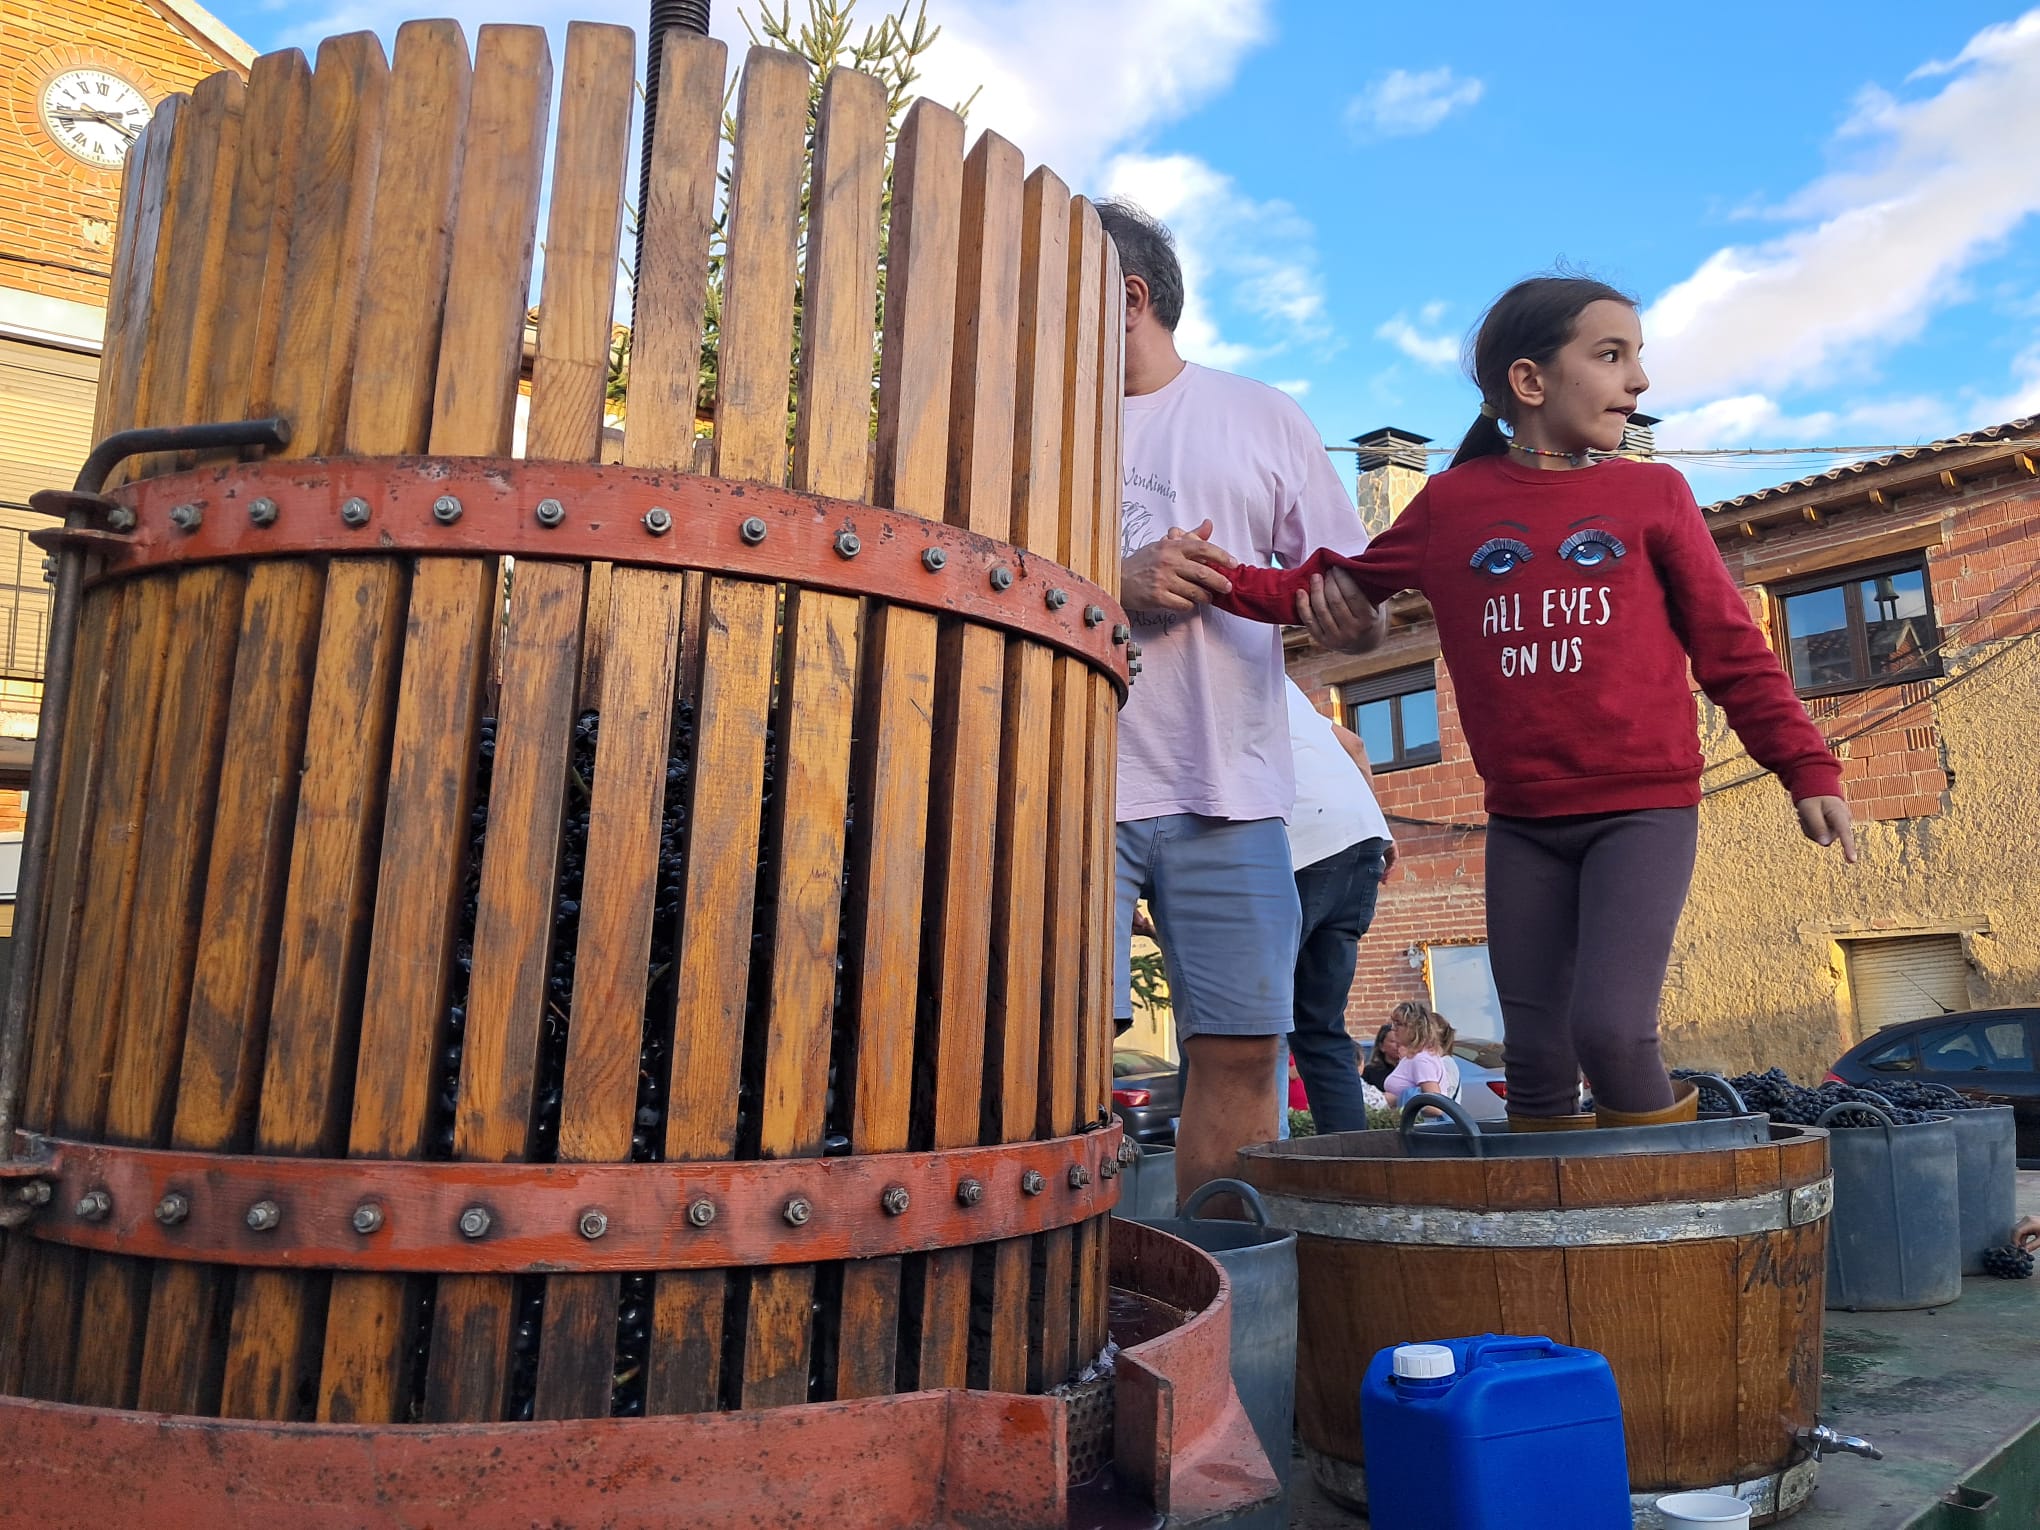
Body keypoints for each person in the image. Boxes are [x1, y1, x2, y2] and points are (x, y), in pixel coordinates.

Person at [1209, 274, 1856, 1131]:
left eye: (1637, 357)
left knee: (1613, 1033)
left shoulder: (1652, 497)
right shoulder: (1452, 506)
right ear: (1530, 380)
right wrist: (1207, 575)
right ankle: (1552, 1248)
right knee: (1538, 1056)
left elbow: (1733, 650)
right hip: (1522, 824)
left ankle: (1670, 1233)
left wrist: (1806, 766)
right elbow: (1320, 587)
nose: (1639, 380)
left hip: (1642, 810)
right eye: (1611, 354)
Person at [1098, 199, 1385, 1210]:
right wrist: (1109, 580)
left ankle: (1213, 1285)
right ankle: (1050, 1294)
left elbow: (1352, 602)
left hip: (1231, 792)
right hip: (1068, 791)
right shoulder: (1025, 428)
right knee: (1043, 1057)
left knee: (1243, 1050)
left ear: (1127, 296)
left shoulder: (1264, 416)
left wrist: (1354, 619)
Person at [1282, 677, 1395, 1133]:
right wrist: (1382, 826)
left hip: (1300, 842)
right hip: (1361, 839)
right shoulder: (1285, 684)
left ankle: (1232, 1179)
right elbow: (1354, 743)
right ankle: (1353, 1173)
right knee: (1321, 1029)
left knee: (1235, 1022)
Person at [1379, 1000, 1461, 1109]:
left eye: (1398, 1023)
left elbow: (1435, 1108)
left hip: (1419, 1125)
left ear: (1414, 1027)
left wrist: (1397, 1102)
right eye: (1393, 1023)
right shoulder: (1414, 1056)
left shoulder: (1422, 1059)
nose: (1393, 1028)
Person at [1361, 1021, 1401, 1091]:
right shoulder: (1369, 1072)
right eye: (1393, 1041)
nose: (1398, 1045)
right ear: (1381, 1046)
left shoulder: (1409, 1068)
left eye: (1401, 1041)